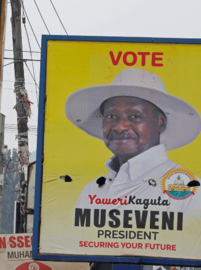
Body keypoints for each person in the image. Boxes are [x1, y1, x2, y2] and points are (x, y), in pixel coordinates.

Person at [65, 68, 201, 210]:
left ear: (161, 123)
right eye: (111, 116)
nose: (119, 127)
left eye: (135, 116)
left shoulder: (189, 193)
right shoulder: (92, 191)